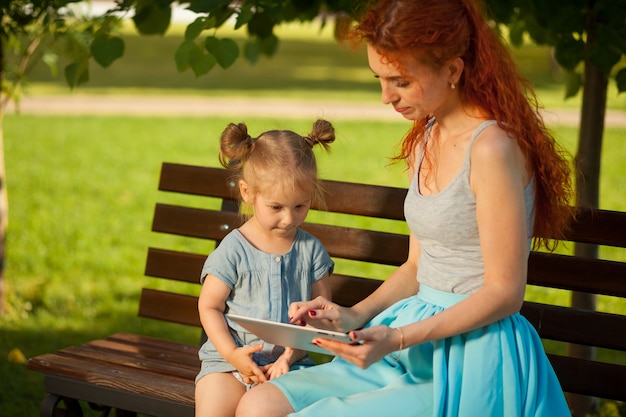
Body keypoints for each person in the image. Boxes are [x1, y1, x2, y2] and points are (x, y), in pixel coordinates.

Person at [235, 0, 574, 416]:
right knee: (259, 405)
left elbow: (505, 293)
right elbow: (417, 267)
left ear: (452, 69)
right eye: (379, 78)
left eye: (400, 81)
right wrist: (352, 316)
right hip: (408, 341)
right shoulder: (426, 135)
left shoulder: (491, 149)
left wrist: (397, 338)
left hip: (472, 353)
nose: (385, 96)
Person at [194, 119, 337, 417]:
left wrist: (289, 357)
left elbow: (321, 316)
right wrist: (233, 355)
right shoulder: (234, 249)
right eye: (276, 207)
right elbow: (209, 306)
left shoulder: (310, 251)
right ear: (247, 192)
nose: (289, 219)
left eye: (300, 206)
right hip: (227, 364)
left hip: (292, 366)